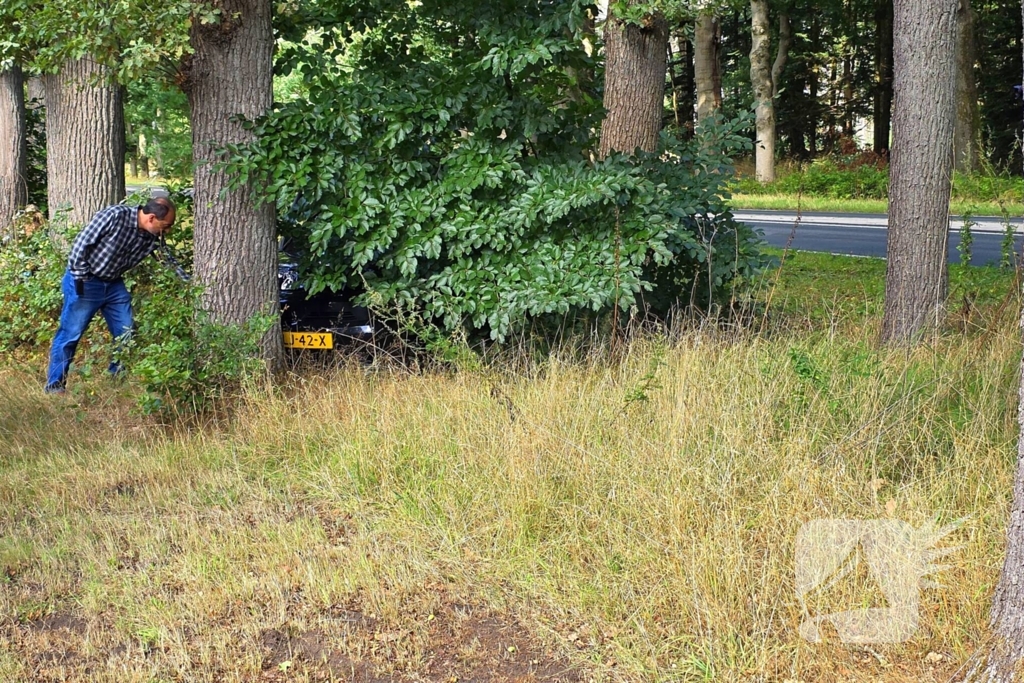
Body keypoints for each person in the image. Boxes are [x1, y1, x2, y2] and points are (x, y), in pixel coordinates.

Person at [44, 197, 180, 394]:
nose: (167, 232)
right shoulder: (115, 216)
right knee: (70, 335)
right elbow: (80, 247)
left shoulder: (153, 236)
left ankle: (115, 381)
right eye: (166, 226)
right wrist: (82, 282)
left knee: (127, 332)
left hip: (114, 284)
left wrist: (191, 285)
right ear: (151, 218)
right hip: (86, 280)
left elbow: (169, 262)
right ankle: (54, 386)